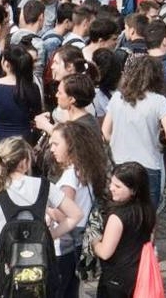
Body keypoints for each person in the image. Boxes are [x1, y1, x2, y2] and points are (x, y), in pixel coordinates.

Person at [0, 137, 83, 298]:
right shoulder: (44, 186)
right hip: (38, 257)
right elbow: (76, 215)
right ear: (24, 162)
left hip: (3, 257)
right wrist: (50, 236)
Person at [101, 55, 166, 207]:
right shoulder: (160, 102)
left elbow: (105, 133)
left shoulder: (117, 98)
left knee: (119, 212)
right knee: (147, 217)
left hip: (119, 164)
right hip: (149, 167)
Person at [48, 121, 109, 298]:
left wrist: (46, 209)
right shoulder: (83, 170)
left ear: (71, 146)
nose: (52, 149)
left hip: (65, 244)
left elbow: (62, 213)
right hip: (79, 241)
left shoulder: (69, 177)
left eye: (56, 144)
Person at [89, 161, 156, 298]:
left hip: (116, 279)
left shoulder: (117, 217)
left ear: (133, 190)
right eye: (112, 183)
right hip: (139, 274)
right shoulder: (148, 210)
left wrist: (94, 241)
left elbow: (105, 252)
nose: (111, 188)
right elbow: (150, 240)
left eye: (118, 186)